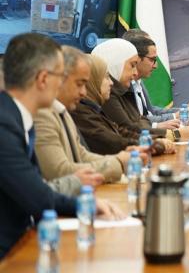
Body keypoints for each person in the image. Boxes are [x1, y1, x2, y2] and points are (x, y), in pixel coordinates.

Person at [0, 33, 122, 259]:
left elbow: (38, 189)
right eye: (60, 75)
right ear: (43, 79)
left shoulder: (17, 117)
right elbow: (38, 197)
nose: (62, 83)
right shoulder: (4, 125)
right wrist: (84, 205)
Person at [34, 46, 137, 183]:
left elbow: (81, 155)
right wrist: (118, 162)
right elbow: (60, 172)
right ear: (58, 80)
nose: (84, 92)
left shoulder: (63, 111)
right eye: (79, 84)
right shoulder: (42, 115)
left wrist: (119, 160)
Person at [91, 39, 177, 150]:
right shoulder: (109, 96)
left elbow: (140, 120)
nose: (136, 73)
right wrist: (168, 136)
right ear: (116, 65)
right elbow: (127, 130)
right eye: (132, 65)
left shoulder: (121, 90)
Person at [71, 55, 146, 154]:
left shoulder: (93, 109)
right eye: (106, 77)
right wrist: (149, 144)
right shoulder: (81, 112)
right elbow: (111, 142)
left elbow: (120, 131)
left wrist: (151, 140)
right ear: (92, 81)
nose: (111, 83)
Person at [122, 30, 181, 126]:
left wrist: (182, 111)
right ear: (137, 57)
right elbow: (137, 121)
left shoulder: (138, 81)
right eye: (152, 59)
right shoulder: (123, 86)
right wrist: (174, 117)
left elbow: (150, 110)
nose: (156, 66)